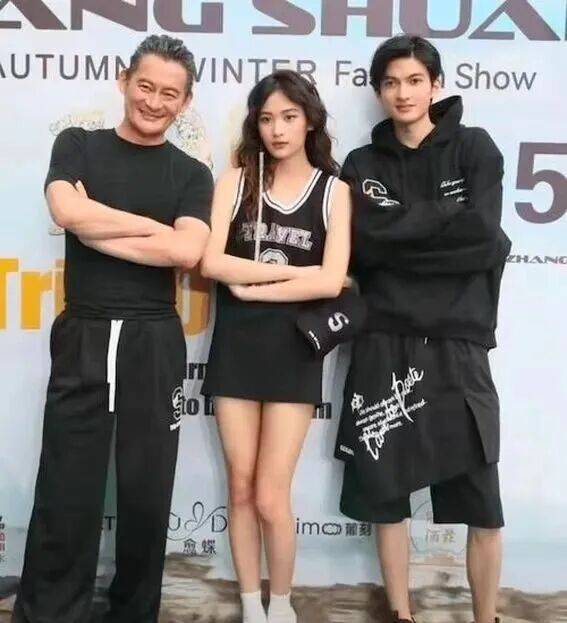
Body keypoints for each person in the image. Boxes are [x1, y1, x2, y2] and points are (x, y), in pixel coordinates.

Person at [12, 34, 213, 623]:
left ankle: (134, 611)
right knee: (66, 483)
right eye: (144, 86)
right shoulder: (78, 145)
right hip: (85, 330)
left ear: (185, 101)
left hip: (154, 338)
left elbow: (186, 252)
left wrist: (95, 223)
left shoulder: (192, 173)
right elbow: (66, 211)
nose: (153, 101)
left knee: (148, 490)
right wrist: (153, 230)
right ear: (124, 81)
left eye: (169, 94)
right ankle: (50, 611)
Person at [334, 35, 510, 623]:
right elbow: (364, 248)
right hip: (383, 341)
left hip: (459, 343)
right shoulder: (362, 165)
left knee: (482, 504)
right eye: (391, 83)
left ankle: (487, 617)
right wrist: (441, 223)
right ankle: (401, 615)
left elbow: (484, 240)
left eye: (414, 80)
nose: (403, 93)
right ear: (378, 91)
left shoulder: (475, 147)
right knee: (387, 495)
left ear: (435, 84)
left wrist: (401, 237)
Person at [201, 70, 351, 623]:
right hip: (236, 348)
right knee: (240, 488)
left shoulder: (334, 192)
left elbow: (332, 281)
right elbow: (211, 262)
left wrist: (252, 287)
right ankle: (250, 604)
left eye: (289, 117)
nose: (277, 129)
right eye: (266, 118)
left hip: (295, 351)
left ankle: (282, 604)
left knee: (270, 494)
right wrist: (295, 278)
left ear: (309, 120)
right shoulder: (236, 182)